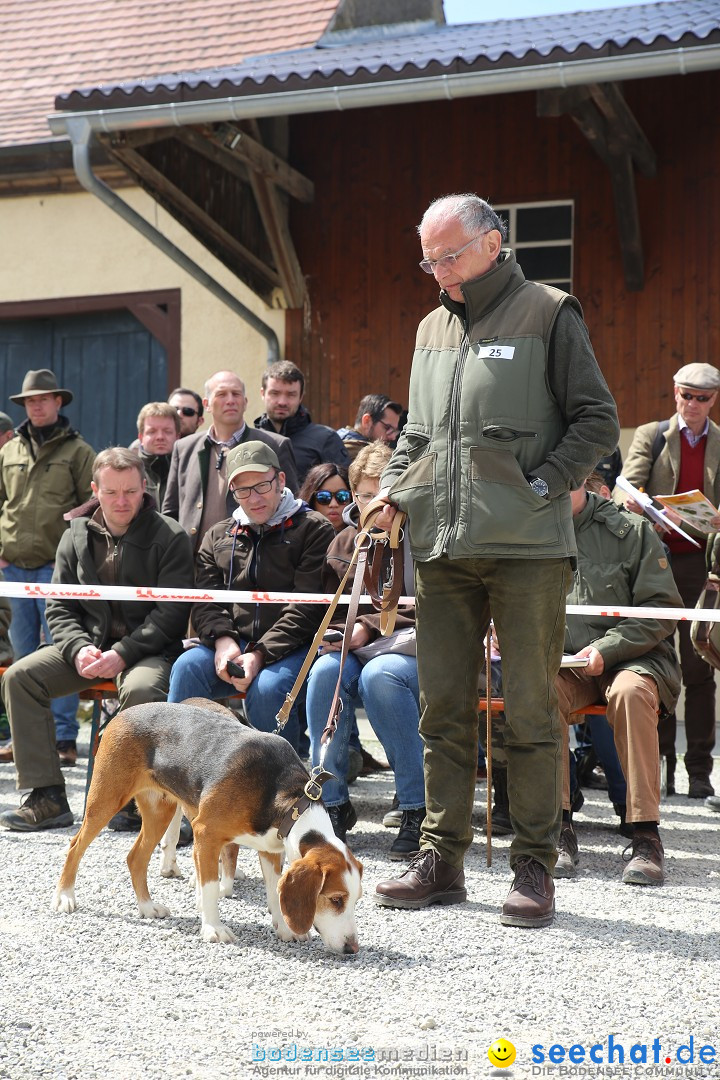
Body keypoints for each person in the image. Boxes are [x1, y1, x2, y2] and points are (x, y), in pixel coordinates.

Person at [372, 193, 619, 927]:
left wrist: (542, 485)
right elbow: (417, 433)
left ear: (492, 242)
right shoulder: (429, 327)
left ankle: (535, 865)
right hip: (442, 547)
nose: (438, 271)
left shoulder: (548, 311)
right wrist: (391, 492)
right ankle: (441, 858)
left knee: (532, 712)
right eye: (429, 259)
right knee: (441, 709)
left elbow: (597, 419)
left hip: (529, 551)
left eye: (449, 256)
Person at [0, 447, 195, 832]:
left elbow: (172, 613)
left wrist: (123, 653)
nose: (120, 501)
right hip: (87, 647)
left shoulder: (170, 536)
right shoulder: (73, 536)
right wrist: (77, 648)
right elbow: (58, 606)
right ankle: (47, 797)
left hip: (148, 652)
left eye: (129, 491)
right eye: (110, 492)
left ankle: (135, 801)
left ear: (145, 488)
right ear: (95, 490)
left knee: (142, 693)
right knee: (19, 678)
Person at [553, 477, 682, 885]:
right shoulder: (531, 527)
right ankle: (557, 828)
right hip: (567, 660)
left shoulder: (630, 530)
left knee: (629, 693)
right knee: (538, 694)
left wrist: (607, 650)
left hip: (633, 656)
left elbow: (660, 609)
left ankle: (645, 834)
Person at [167, 441, 335, 749]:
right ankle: (183, 775)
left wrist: (259, 654)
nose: (253, 498)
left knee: (268, 689)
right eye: (242, 490)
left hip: (294, 645)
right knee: (187, 667)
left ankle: (282, 788)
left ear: (281, 481)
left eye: (261, 486)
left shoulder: (314, 529)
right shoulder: (218, 534)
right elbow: (206, 599)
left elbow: (307, 608)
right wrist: (223, 641)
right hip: (233, 640)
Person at [305, 441, 424, 856]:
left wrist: (366, 629)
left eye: (383, 492)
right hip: (356, 647)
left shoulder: (423, 537)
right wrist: (344, 632)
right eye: (364, 494)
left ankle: (416, 807)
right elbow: (329, 610)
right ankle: (331, 803)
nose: (375, 503)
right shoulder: (344, 542)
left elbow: (435, 606)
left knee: (382, 677)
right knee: (323, 675)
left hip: (413, 647)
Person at [622, 362, 720, 800]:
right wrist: (652, 510)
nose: (693, 404)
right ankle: (658, 764)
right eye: (686, 395)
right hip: (658, 564)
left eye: (702, 398)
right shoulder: (650, 434)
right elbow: (628, 489)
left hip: (704, 567)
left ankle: (698, 768)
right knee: (658, 663)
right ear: (674, 393)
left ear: (713, 400)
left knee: (700, 667)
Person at [0, 369, 95, 769]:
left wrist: (70, 542)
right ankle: (28, 741)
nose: (36, 406)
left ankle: (64, 739)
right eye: (29, 401)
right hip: (13, 570)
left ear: (58, 402)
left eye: (43, 399)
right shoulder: (9, 451)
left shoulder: (78, 451)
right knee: (22, 658)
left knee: (62, 652)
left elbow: (94, 504)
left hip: (56, 569)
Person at [163, 370, 298, 552]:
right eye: (221, 394)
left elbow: (291, 505)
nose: (230, 400)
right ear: (207, 404)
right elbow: (171, 512)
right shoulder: (184, 447)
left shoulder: (274, 444)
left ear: (245, 402)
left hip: (247, 559)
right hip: (190, 562)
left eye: (236, 394)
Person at [254, 361, 350, 482]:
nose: (282, 401)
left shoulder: (326, 439)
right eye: (275, 393)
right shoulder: (252, 439)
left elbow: (344, 490)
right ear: (262, 393)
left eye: (291, 395)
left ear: (301, 397)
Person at [134, 402, 180, 508]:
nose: (160, 437)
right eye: (152, 431)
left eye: (167, 431)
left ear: (177, 437)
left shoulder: (189, 471)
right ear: (141, 437)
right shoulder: (126, 470)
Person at [337, 394, 403, 461]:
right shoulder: (348, 452)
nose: (393, 437)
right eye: (387, 427)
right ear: (367, 421)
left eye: (394, 430)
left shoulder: (340, 443)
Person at [299, 463, 352, 533]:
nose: (333, 504)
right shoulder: (296, 536)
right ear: (311, 499)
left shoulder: (363, 536)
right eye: (324, 497)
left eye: (342, 496)